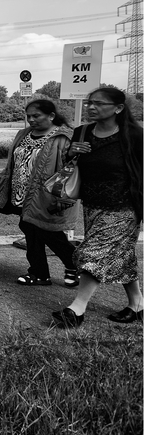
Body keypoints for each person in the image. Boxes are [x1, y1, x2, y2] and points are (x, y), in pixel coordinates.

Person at [52, 87, 144, 328]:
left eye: (98, 103)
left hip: (125, 207)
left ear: (118, 108)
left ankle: (77, 309)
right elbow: (70, 166)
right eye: (90, 102)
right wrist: (70, 152)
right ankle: (138, 305)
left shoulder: (134, 136)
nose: (91, 107)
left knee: (91, 253)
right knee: (120, 255)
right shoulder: (82, 132)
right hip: (92, 204)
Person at [0, 99, 79, 287]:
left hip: (46, 195)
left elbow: (69, 169)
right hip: (21, 192)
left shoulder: (63, 137)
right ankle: (43, 273)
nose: (31, 119)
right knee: (31, 229)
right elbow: (13, 162)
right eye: (28, 116)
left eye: (36, 116)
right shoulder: (23, 134)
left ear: (51, 116)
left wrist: (60, 197)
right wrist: (0, 181)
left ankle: (71, 265)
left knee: (45, 230)